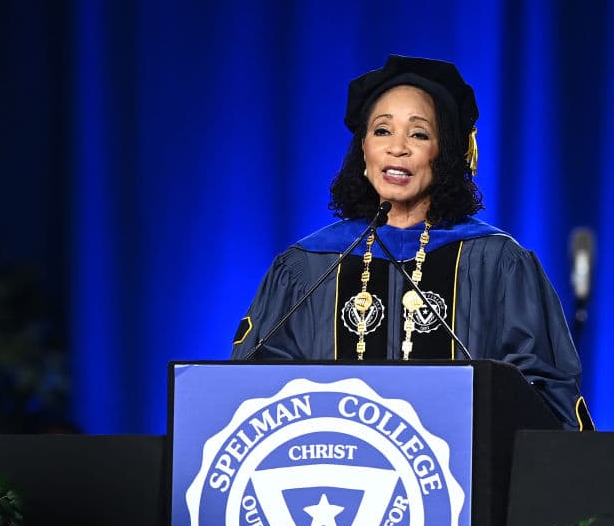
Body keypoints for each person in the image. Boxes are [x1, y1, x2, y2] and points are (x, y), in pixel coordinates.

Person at [230, 55, 593, 431]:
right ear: (364, 152)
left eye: (418, 134)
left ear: (446, 154)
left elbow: (542, 397)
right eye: (382, 131)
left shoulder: (495, 264)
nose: (397, 148)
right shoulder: (310, 267)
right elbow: (251, 393)